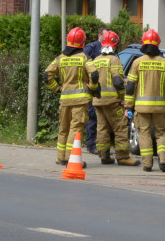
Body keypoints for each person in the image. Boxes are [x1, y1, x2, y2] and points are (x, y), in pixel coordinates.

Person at [44, 27, 99, 165]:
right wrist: (92, 87)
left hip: (64, 100)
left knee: (63, 128)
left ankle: (60, 157)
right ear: (82, 42)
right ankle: (70, 159)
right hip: (80, 100)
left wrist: (57, 89)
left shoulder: (60, 58)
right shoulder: (84, 58)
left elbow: (46, 75)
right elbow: (94, 74)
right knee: (75, 129)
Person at [124, 29, 165, 172]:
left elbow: (130, 86)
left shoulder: (137, 63)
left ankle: (147, 164)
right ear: (158, 44)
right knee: (162, 133)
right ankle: (164, 161)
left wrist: (127, 106)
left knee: (144, 133)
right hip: (159, 108)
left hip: (141, 108)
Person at [91, 30, 139, 166]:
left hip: (98, 101)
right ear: (115, 44)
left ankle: (104, 156)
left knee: (102, 128)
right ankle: (123, 156)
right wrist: (123, 97)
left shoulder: (96, 60)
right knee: (120, 127)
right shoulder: (114, 60)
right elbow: (117, 81)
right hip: (112, 101)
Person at [82, 30, 105, 154]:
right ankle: (91, 145)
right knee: (92, 117)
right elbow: (84, 65)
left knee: (102, 120)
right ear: (99, 35)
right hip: (93, 89)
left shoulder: (110, 51)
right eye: (105, 35)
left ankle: (102, 147)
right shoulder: (92, 47)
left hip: (105, 91)